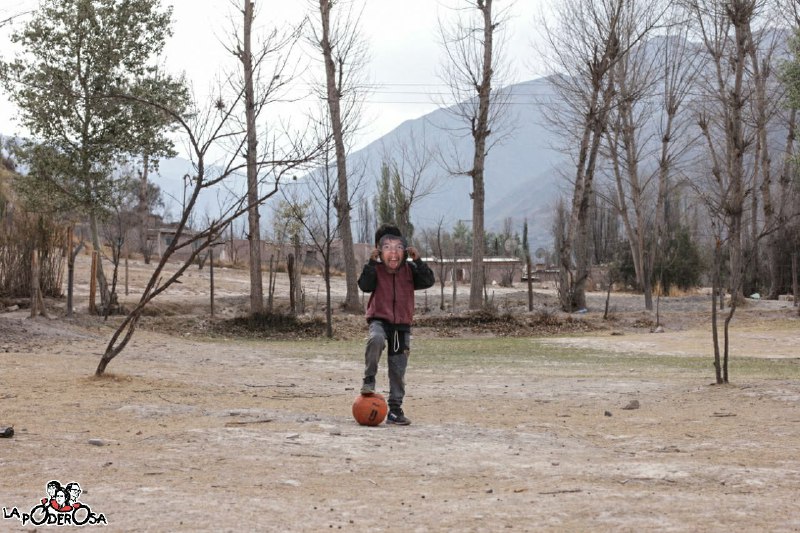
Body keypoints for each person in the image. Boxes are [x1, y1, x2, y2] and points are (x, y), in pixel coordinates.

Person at [357, 224, 435, 425]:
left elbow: (428, 281)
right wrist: (370, 263)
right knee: (375, 339)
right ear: (379, 249)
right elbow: (364, 285)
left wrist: (418, 261)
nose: (393, 252)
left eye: (398, 246)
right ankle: (369, 379)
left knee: (398, 369)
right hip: (379, 320)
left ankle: (395, 410)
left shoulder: (410, 270)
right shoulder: (375, 269)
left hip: (401, 326)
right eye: (386, 246)